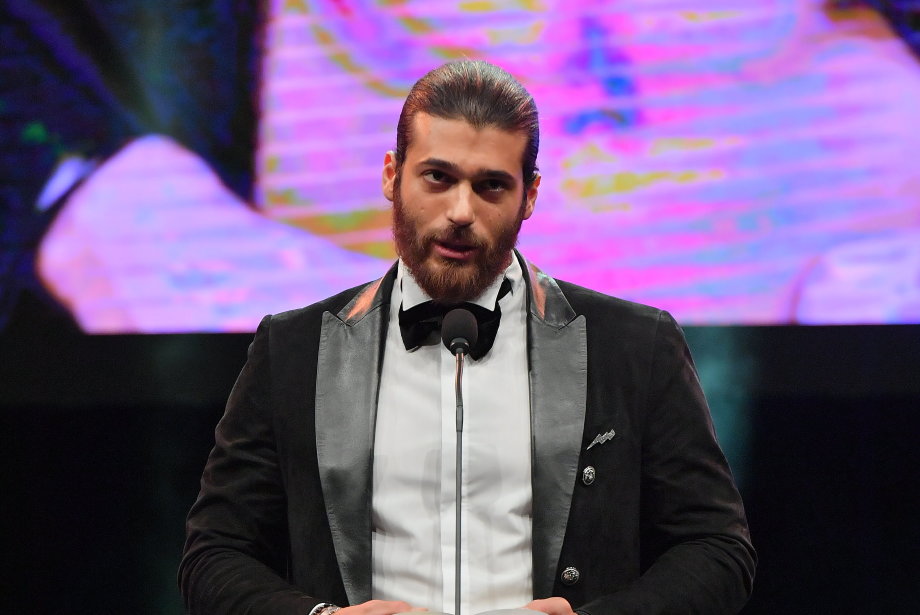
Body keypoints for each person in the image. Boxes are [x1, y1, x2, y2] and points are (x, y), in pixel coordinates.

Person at [179, 60, 756, 615]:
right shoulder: (293, 349)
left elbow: (716, 550)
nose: (460, 211)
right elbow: (215, 555)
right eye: (438, 177)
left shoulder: (635, 345)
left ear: (530, 195)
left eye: (491, 186)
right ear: (392, 175)